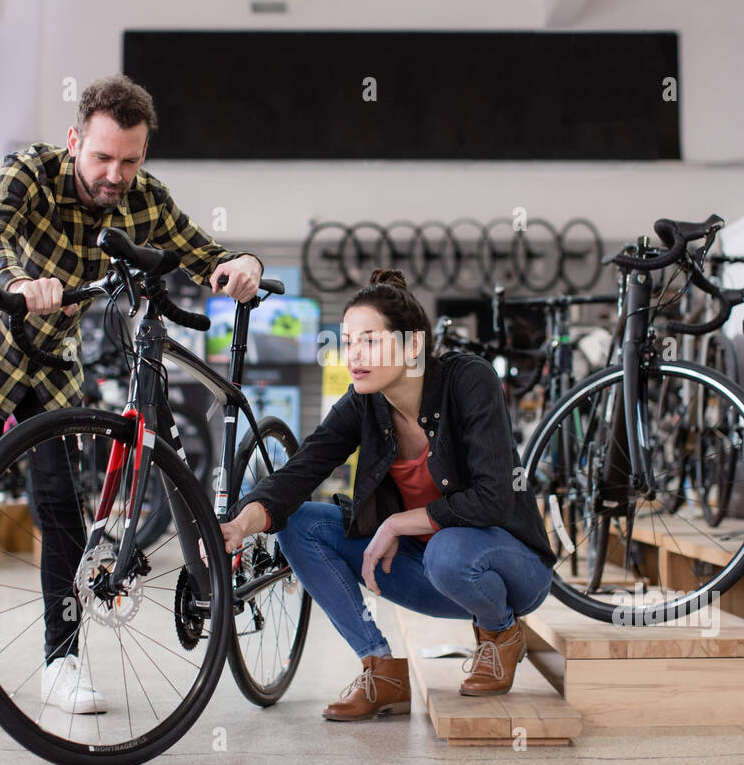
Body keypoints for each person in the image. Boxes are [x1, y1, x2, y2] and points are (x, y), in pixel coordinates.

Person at [0, 74, 263, 709]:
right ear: (74, 141)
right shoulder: (27, 174)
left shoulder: (143, 198)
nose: (115, 174)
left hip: (53, 361)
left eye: (130, 159)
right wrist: (20, 280)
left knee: (62, 502)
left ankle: (61, 660)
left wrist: (242, 264)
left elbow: (199, 251)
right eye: (102, 157)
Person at [220, 269, 555, 721]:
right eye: (348, 341)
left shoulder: (467, 380)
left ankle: (500, 633)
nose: (354, 354)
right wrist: (241, 523)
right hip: (431, 574)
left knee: (448, 548)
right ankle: (380, 667)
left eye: (370, 341)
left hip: (510, 571)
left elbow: (491, 499)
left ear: (413, 346)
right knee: (301, 523)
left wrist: (397, 523)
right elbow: (301, 471)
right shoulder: (364, 402)